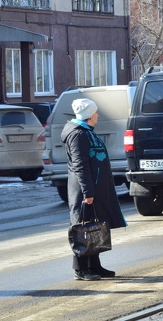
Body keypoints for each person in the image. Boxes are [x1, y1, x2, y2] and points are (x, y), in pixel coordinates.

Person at [63, 98, 127, 281]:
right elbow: (80, 165)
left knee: (94, 225)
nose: (98, 115)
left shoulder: (87, 132)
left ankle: (95, 265)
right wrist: (87, 192)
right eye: (96, 112)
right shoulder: (77, 135)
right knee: (82, 227)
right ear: (89, 115)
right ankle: (81, 269)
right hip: (84, 189)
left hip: (94, 187)